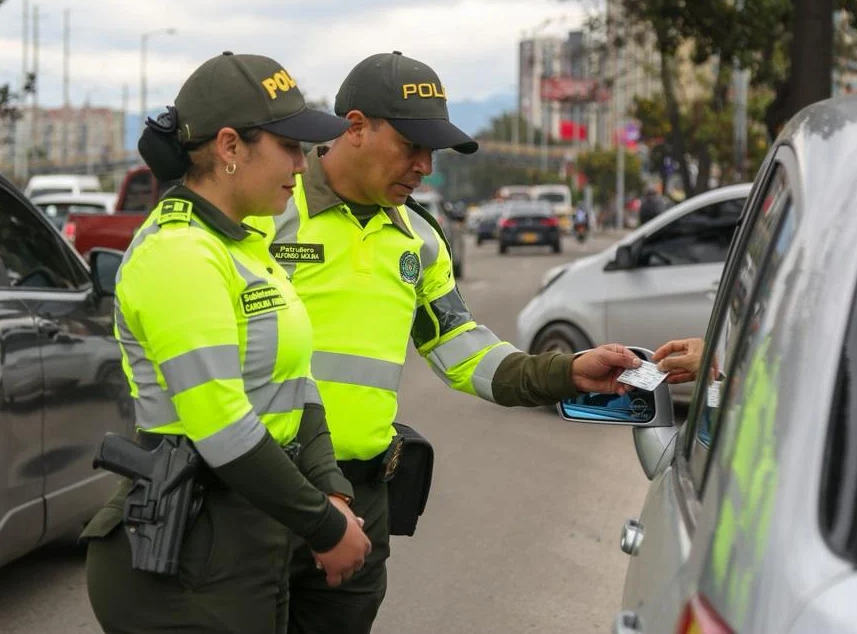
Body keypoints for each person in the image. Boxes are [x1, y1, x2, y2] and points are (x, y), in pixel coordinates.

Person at [248, 51, 703, 634]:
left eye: (432, 151)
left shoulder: (418, 237)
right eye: (412, 146)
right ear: (355, 127)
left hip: (362, 496)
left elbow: (460, 346)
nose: (425, 167)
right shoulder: (269, 211)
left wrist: (566, 372)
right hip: (260, 490)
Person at [82, 51, 372, 634]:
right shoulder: (179, 254)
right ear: (230, 147)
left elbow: (297, 383)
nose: (303, 162)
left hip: (250, 541)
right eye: (289, 146)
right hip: (185, 555)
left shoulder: (245, 245)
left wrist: (332, 490)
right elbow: (219, 423)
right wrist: (324, 525)